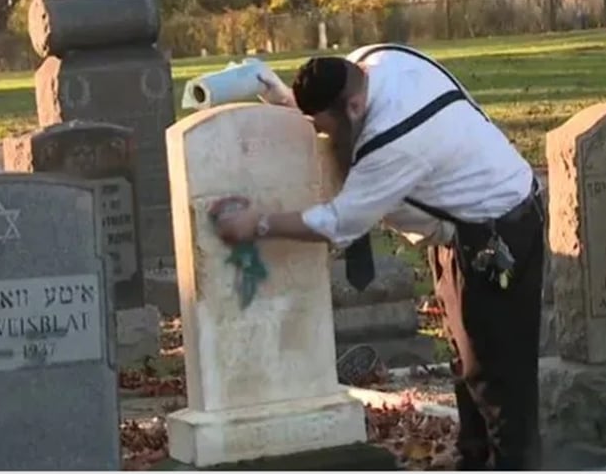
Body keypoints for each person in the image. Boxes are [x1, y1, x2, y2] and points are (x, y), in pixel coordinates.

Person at [210, 44, 545, 470]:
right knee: (469, 369)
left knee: (500, 385)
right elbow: (333, 114)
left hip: (499, 237)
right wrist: (280, 97)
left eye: (327, 129)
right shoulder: (380, 59)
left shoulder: (392, 141)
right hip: (465, 231)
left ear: (352, 106)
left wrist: (258, 224)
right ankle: (472, 462)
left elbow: (338, 222)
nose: (328, 139)